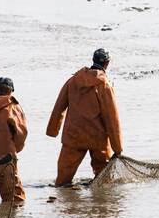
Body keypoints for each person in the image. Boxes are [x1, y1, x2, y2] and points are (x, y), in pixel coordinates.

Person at [46, 48, 123, 185]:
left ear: (93, 60)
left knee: (63, 179)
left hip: (73, 136)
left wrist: (52, 130)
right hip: (97, 137)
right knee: (104, 178)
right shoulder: (104, 84)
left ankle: (63, 201)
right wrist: (117, 148)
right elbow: (112, 118)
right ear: (107, 63)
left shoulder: (73, 80)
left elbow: (59, 107)